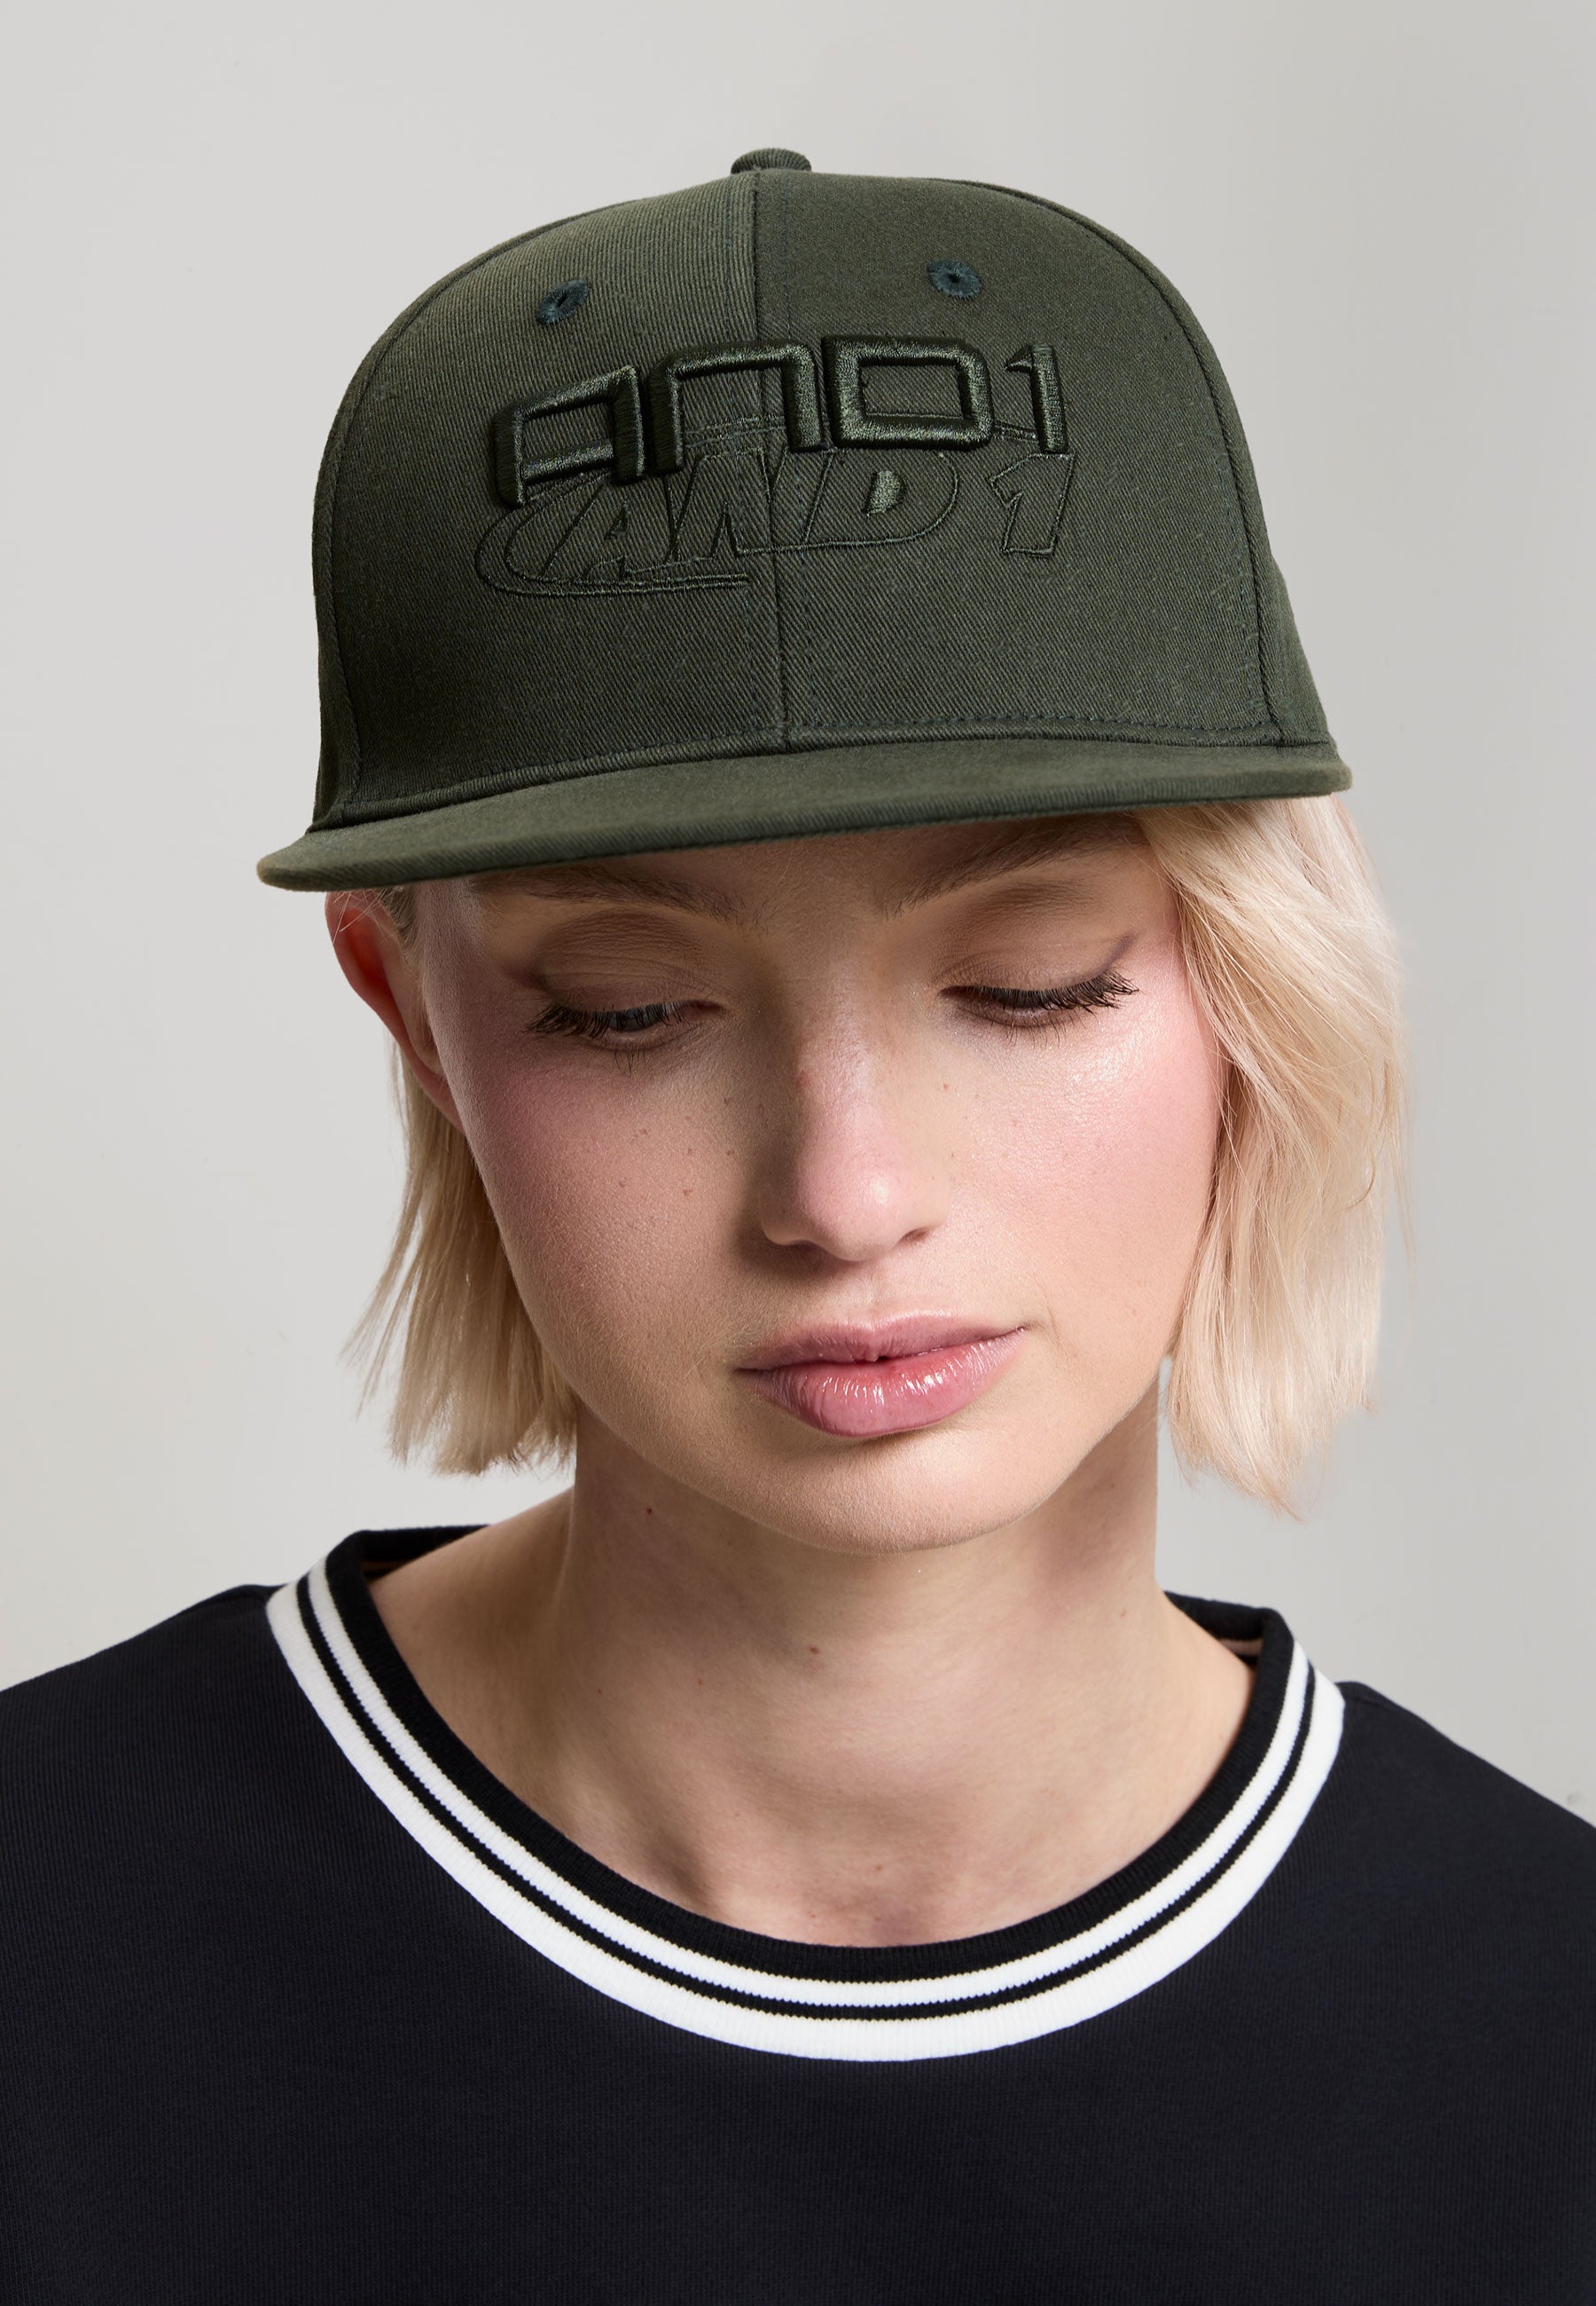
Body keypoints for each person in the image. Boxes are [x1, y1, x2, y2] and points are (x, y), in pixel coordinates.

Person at [4, 151, 1592, 2302]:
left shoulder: (1543, 2049)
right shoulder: (47, 1936)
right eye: (628, 1008)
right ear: (414, 1018)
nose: (846, 1193)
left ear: (1254, 980)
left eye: (1027, 982)